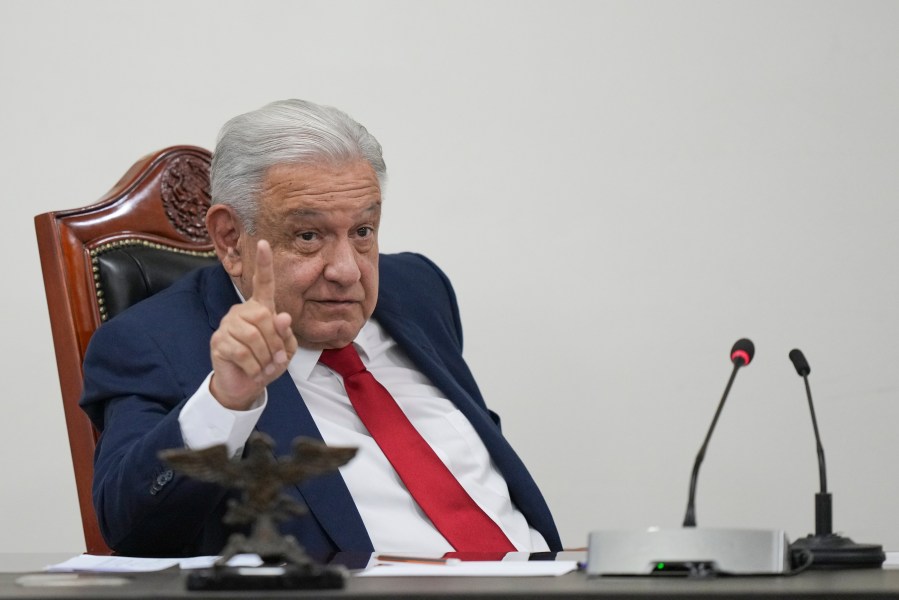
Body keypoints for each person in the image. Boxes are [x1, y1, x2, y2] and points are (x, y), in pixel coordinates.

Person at [80, 99, 562, 558]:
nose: (347, 270)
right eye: (309, 236)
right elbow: (130, 530)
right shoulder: (154, 343)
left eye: (362, 232)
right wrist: (227, 401)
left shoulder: (418, 290)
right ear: (230, 239)